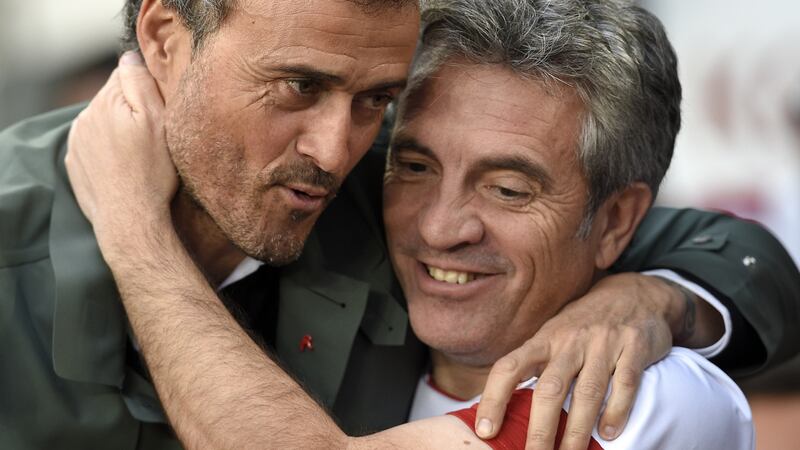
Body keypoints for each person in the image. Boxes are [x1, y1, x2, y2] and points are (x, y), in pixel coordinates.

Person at [1, 0, 798, 449]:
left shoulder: (390, 188)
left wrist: (653, 300)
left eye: (377, 98)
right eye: (298, 86)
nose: (334, 148)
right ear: (165, 40)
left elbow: (732, 252)